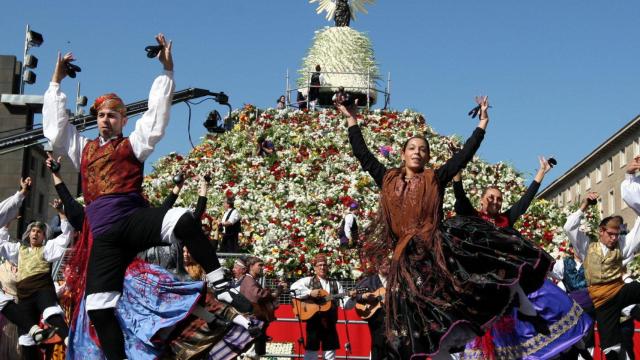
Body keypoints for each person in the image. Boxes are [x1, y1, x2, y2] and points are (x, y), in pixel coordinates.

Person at [42, 34, 238, 359]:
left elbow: (157, 118)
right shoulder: (82, 148)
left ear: (123, 120)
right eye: (102, 115)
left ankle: (218, 280)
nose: (106, 120)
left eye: (113, 116)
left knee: (182, 219)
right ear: (96, 119)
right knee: (98, 308)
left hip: (132, 221)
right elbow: (55, 130)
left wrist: (167, 70)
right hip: (104, 237)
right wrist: (55, 82)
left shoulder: (133, 144)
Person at [339, 94, 554, 359]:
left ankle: (525, 308)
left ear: (428, 156)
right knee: (414, 325)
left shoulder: (436, 178)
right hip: (404, 260)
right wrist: (351, 119)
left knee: (478, 269)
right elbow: (363, 153)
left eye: (422, 149)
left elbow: (464, 156)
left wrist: (482, 124)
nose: (417, 152)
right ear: (404, 154)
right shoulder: (386, 178)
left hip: (434, 252)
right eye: (412, 148)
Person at [45, 155, 260, 359]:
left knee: (169, 303)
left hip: (130, 277)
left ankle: (221, 320)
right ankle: (208, 325)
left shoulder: (128, 213)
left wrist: (177, 189)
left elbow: (162, 212)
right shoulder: (88, 218)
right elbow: (69, 202)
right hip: (116, 281)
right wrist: (56, 174)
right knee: (140, 321)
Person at [454, 159, 593, 359]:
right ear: (482, 200)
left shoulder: (505, 220)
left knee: (548, 294)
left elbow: (525, 201)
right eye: (491, 197)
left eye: (499, 199)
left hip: (512, 278)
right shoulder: (473, 218)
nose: (495, 201)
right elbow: (460, 198)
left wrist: (541, 173)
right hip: (487, 285)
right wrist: (457, 173)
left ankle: (576, 345)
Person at [564, 156, 640, 360]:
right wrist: (584, 206)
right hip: (601, 301)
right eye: (610, 234)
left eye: (617, 234)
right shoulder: (588, 247)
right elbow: (569, 227)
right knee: (611, 350)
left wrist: (630, 176)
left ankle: (633, 309)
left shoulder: (622, 245)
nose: (614, 238)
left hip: (620, 291)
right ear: (601, 231)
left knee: (636, 289)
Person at [0, 193, 73, 358]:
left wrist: (62, 213)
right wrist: (5, 224)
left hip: (42, 290)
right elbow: (1, 244)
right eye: (33, 231)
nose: (35, 234)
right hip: (24, 295)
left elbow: (65, 237)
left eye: (39, 232)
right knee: (26, 338)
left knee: (51, 313)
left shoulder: (47, 249)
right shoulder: (19, 250)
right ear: (28, 233)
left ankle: (70, 340)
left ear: (43, 236)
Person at [290, 254, 351, 360]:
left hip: (330, 322)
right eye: (319, 265)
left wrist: (353, 298)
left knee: (330, 352)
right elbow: (293, 290)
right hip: (313, 321)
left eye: (324, 265)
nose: (322, 267)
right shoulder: (308, 281)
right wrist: (309, 292)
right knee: (311, 351)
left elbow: (344, 305)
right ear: (314, 268)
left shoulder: (335, 284)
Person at [239, 256, 287, 358]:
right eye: (259, 265)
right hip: (254, 321)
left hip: (257, 321)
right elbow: (257, 296)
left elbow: (261, 295)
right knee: (251, 353)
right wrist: (274, 293)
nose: (262, 267)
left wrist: (276, 291)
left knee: (256, 353)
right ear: (251, 266)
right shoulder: (248, 280)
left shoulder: (251, 280)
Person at [353, 259, 390, 360]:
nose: (389, 266)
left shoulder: (394, 279)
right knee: (378, 345)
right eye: (386, 264)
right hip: (376, 319)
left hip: (392, 318)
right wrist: (364, 296)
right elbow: (355, 294)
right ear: (378, 267)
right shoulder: (370, 280)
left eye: (389, 264)